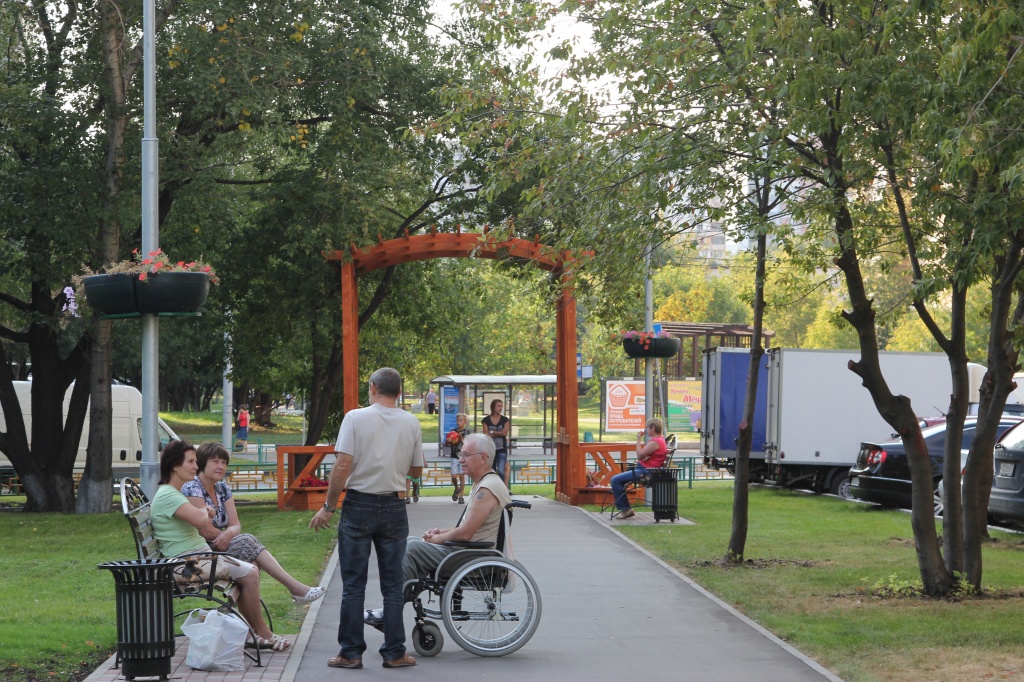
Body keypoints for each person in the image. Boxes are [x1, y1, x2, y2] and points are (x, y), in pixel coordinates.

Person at [308, 367, 423, 670]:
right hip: (395, 506)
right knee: (393, 584)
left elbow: (343, 465)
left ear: (372, 388)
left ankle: (350, 653)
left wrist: (329, 506)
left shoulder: (355, 418)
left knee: (354, 585)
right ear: (399, 392)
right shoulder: (411, 422)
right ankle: (395, 652)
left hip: (358, 504)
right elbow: (417, 470)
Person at [151, 440, 290, 651]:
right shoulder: (169, 496)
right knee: (250, 572)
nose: (195, 467)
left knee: (249, 568)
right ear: (174, 465)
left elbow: (200, 517)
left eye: (195, 462)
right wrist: (205, 512)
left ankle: (250, 632)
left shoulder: (173, 494)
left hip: (195, 560)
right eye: (190, 462)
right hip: (184, 567)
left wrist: (204, 512)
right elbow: (200, 521)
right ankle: (261, 634)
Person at [363, 433, 512, 624]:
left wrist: (437, 539)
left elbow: (466, 533)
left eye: (466, 454)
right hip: (470, 552)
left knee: (413, 548)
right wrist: (441, 532)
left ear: (483, 457)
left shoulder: (487, 489)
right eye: (461, 453)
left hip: (472, 557)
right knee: (411, 542)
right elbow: (470, 527)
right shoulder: (487, 483)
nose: (461, 459)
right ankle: (393, 606)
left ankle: (391, 611)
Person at [181, 442, 326, 605]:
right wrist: (229, 536)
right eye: (215, 461)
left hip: (219, 546)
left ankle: (250, 627)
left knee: (253, 564)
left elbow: (235, 524)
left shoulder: (222, 488)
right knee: (247, 542)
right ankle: (295, 589)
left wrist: (228, 534)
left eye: (224, 462)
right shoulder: (192, 488)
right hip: (201, 553)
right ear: (202, 463)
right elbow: (205, 530)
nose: (221, 466)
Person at [611, 418, 670, 519]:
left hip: (646, 473)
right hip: (645, 469)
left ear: (653, 428)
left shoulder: (656, 442)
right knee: (619, 479)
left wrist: (638, 439)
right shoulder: (660, 440)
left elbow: (639, 455)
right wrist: (647, 457)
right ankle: (625, 500)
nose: (645, 430)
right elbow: (649, 455)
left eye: (647, 428)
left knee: (615, 480)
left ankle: (626, 509)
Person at [482, 398, 511, 483]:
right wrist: (498, 433)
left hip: (501, 448)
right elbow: (485, 434)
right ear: (493, 407)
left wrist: (492, 432)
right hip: (490, 449)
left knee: (501, 471)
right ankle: (493, 487)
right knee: (492, 471)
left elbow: (504, 433)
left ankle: (501, 488)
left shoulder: (505, 420)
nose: (500, 408)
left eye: (501, 406)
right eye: (498, 406)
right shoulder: (486, 420)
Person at [446, 413, 469, 504]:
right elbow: (447, 443)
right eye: (457, 420)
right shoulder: (453, 431)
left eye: (461, 420)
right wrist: (448, 441)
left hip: (463, 456)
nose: (459, 422)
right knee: (454, 476)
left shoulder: (467, 433)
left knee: (462, 476)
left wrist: (461, 439)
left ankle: (461, 496)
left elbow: (468, 444)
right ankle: (456, 488)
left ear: (465, 422)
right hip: (454, 456)